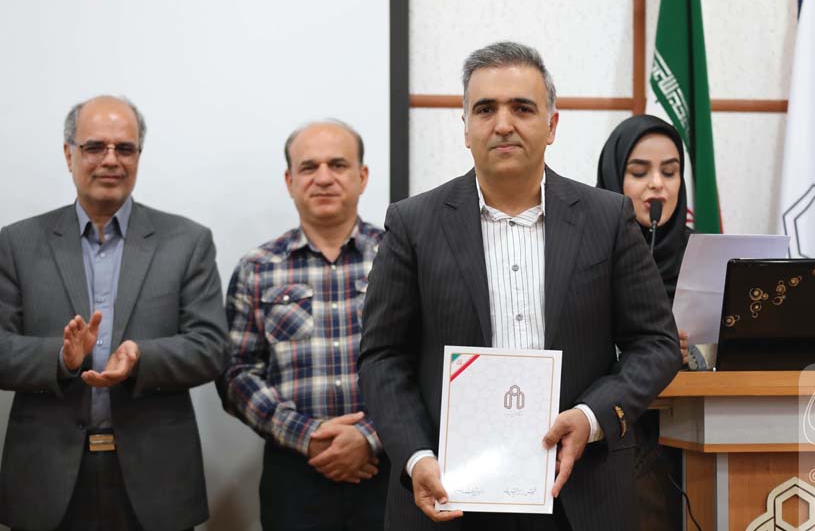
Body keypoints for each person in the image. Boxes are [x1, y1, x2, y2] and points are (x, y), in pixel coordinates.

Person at [358, 41, 683, 531]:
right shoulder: (412, 224)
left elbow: (656, 344)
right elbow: (383, 356)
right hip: (448, 492)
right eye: (485, 109)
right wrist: (416, 456)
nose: (503, 124)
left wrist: (591, 416)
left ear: (551, 125)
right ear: (465, 127)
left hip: (580, 492)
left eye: (522, 108)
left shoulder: (607, 218)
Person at [0, 95, 228, 531]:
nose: (111, 160)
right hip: (45, 478)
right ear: (69, 153)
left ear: (139, 155)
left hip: (156, 478)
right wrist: (61, 359)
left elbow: (211, 347)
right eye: (94, 147)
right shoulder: (17, 243)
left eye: (125, 148)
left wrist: (141, 356)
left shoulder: (187, 241)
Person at [221, 121, 387, 531]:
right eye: (309, 167)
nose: (323, 178)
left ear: (362, 176)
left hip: (389, 470)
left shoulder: (399, 257)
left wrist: (369, 436)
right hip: (295, 476)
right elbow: (236, 373)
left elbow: (426, 359)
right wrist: (307, 435)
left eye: (338, 165)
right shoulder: (257, 268)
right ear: (290, 181)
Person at [597, 114, 693, 531]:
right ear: (614, 179)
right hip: (619, 439)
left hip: (701, 429)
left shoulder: (703, 254)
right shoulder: (589, 254)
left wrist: (699, 352)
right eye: (639, 173)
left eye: (669, 172)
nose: (657, 185)